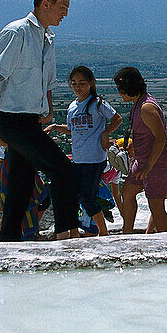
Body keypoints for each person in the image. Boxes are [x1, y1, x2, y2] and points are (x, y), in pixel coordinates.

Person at [0, 0, 81, 241]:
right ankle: (65, 236)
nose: (65, 13)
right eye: (62, 6)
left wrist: (46, 109)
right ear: (45, 4)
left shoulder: (47, 39)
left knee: (21, 185)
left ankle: (8, 240)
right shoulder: (17, 33)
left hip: (30, 121)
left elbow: (47, 80)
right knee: (61, 169)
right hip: (12, 121)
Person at [45, 65, 122, 236]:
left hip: (94, 159)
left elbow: (117, 119)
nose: (78, 87)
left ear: (91, 83)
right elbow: (72, 129)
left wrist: (105, 133)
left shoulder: (97, 103)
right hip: (78, 159)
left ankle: (103, 232)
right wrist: (56, 127)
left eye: (82, 83)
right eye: (74, 83)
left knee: (88, 197)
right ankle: (76, 232)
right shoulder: (72, 107)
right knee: (75, 196)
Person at [114, 67, 167, 233]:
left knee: (156, 206)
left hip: (157, 161)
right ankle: (127, 232)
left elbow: (160, 138)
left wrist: (148, 166)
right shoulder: (139, 104)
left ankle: (166, 241)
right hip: (144, 161)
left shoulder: (146, 108)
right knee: (127, 192)